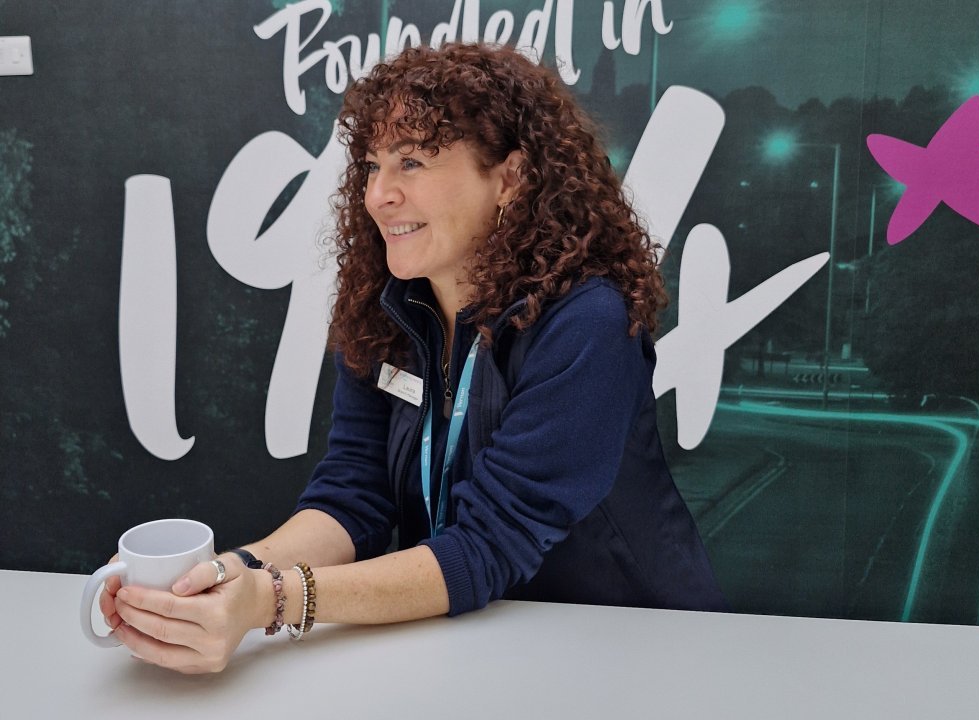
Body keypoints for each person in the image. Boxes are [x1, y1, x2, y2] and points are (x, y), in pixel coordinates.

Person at [100, 42, 726, 674]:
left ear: (509, 178)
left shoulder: (588, 323)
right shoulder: (382, 311)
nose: (378, 195)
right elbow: (353, 497)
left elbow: (488, 546)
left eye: (413, 161)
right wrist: (226, 575)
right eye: (373, 165)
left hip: (635, 653)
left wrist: (273, 600)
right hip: (477, 646)